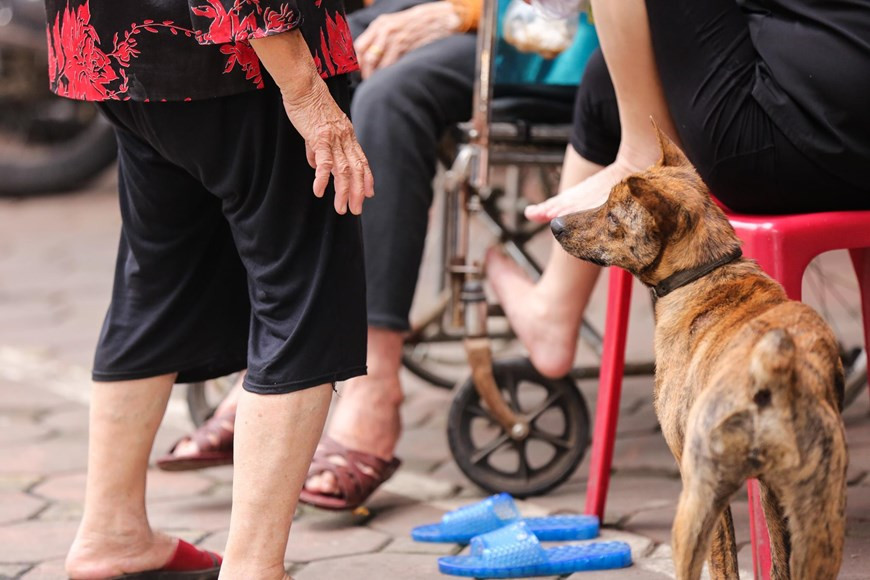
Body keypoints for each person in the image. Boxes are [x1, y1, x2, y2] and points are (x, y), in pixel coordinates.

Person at [47, 1, 373, 578]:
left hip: (114, 48)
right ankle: (253, 568)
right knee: (301, 296)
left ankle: (112, 530)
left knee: (160, 278)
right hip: (235, 59)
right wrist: (306, 93)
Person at [157, 0, 485, 508]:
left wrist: (464, 11)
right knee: (279, 75)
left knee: (388, 98)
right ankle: (272, 351)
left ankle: (377, 380)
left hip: (521, 35)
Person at [486, 0, 870, 379]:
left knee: (633, 57)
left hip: (795, 138)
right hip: (841, 122)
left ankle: (638, 151)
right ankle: (554, 304)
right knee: (613, 69)